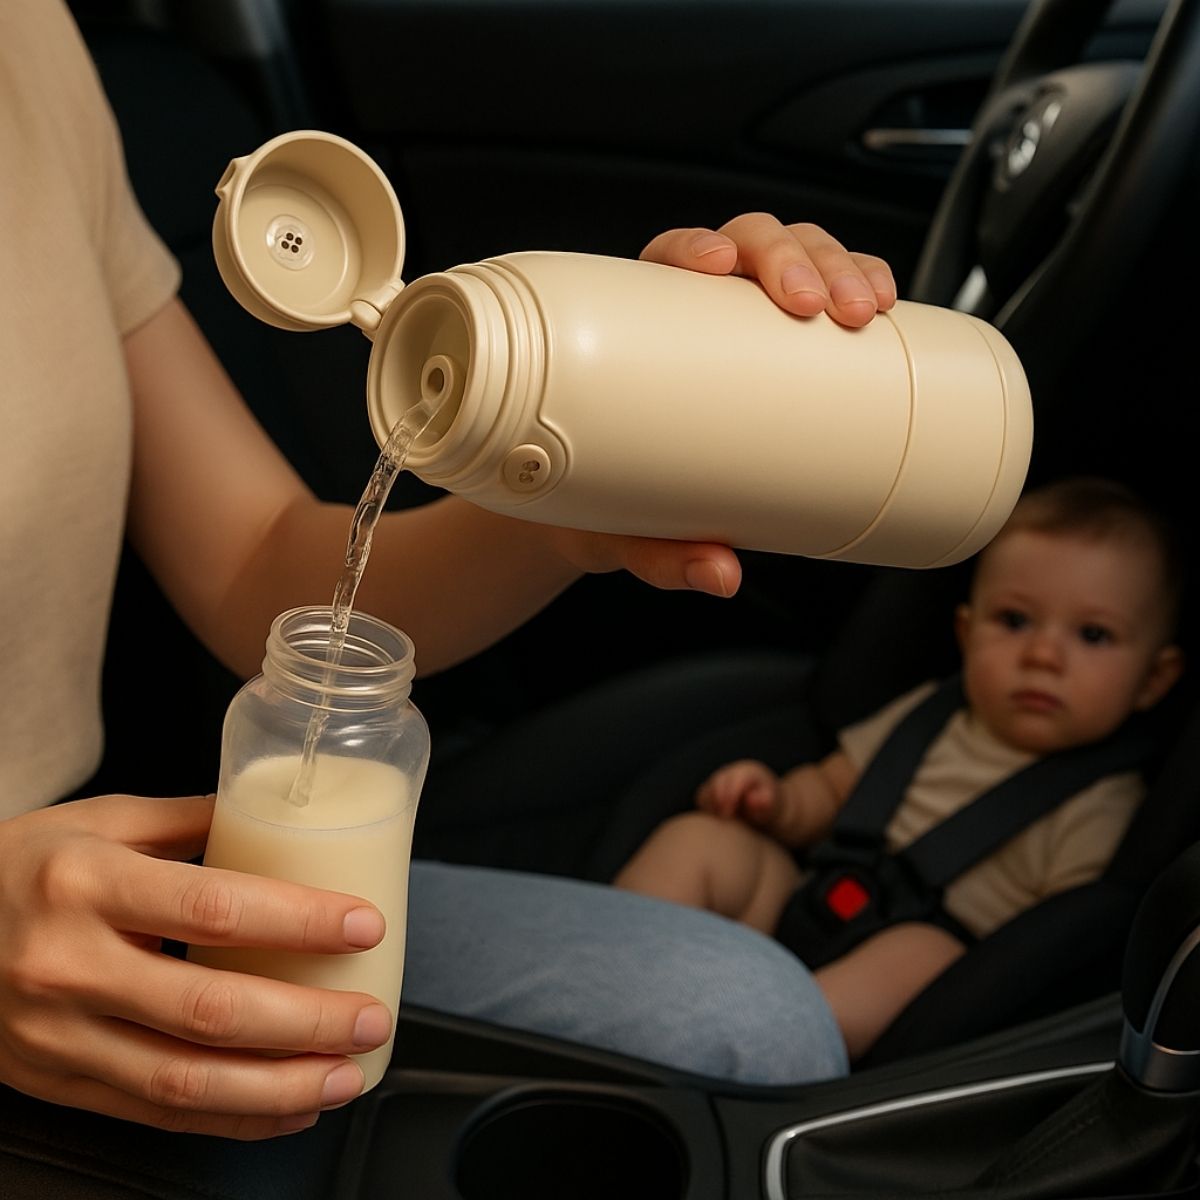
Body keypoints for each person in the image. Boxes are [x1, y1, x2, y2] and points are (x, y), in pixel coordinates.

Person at [0, 0, 898, 1169]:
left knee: (739, 1021)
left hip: (90, 909)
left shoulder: (28, 40)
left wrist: (579, 472)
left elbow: (262, 562)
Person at [616, 477, 1185, 1061]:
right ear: (966, 633)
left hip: (920, 966)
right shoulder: (929, 715)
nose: (1043, 656)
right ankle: (619, 974)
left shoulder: (1103, 804)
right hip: (808, 899)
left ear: (1153, 679)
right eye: (1014, 621)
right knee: (705, 839)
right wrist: (777, 802)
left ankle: (750, 1043)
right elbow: (832, 787)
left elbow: (1048, 951)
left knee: (922, 955)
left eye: (1093, 635)